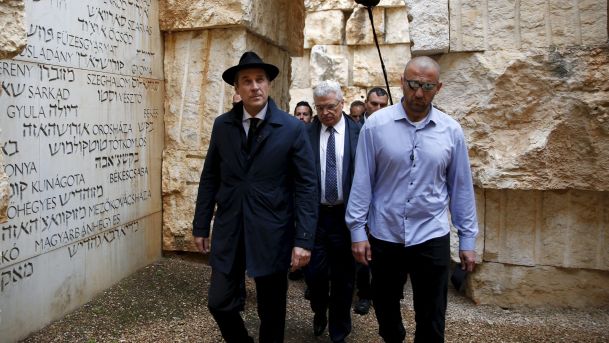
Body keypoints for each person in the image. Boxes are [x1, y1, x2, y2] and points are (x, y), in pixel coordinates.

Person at [345, 56, 478, 343]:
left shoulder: (451, 131)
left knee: (432, 317)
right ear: (402, 82)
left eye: (427, 86)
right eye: (414, 84)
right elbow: (363, 181)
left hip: (431, 235)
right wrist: (357, 231)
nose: (419, 93)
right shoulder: (376, 126)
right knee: (385, 309)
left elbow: (461, 188)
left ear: (438, 87)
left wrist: (467, 238)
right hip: (385, 234)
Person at [192, 51, 318, 343]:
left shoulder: (292, 129)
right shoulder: (223, 126)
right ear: (237, 89)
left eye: (260, 79)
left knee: (271, 311)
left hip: (272, 231)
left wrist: (303, 240)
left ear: (269, 84)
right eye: (246, 81)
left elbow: (307, 187)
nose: (254, 87)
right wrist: (201, 224)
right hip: (230, 227)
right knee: (219, 302)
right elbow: (210, 175)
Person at [305, 80, 361, 343]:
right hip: (315, 217)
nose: (326, 112)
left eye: (331, 106)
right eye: (320, 108)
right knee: (315, 275)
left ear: (342, 102)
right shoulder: (306, 134)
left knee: (343, 278)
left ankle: (340, 330)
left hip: (345, 217)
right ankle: (319, 310)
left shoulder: (358, 133)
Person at [352, 86, 388, 316]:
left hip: (384, 199)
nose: (377, 109)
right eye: (374, 104)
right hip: (360, 197)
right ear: (367, 103)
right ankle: (364, 294)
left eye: (382, 105)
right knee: (361, 248)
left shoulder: (392, 127)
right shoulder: (354, 128)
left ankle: (384, 292)